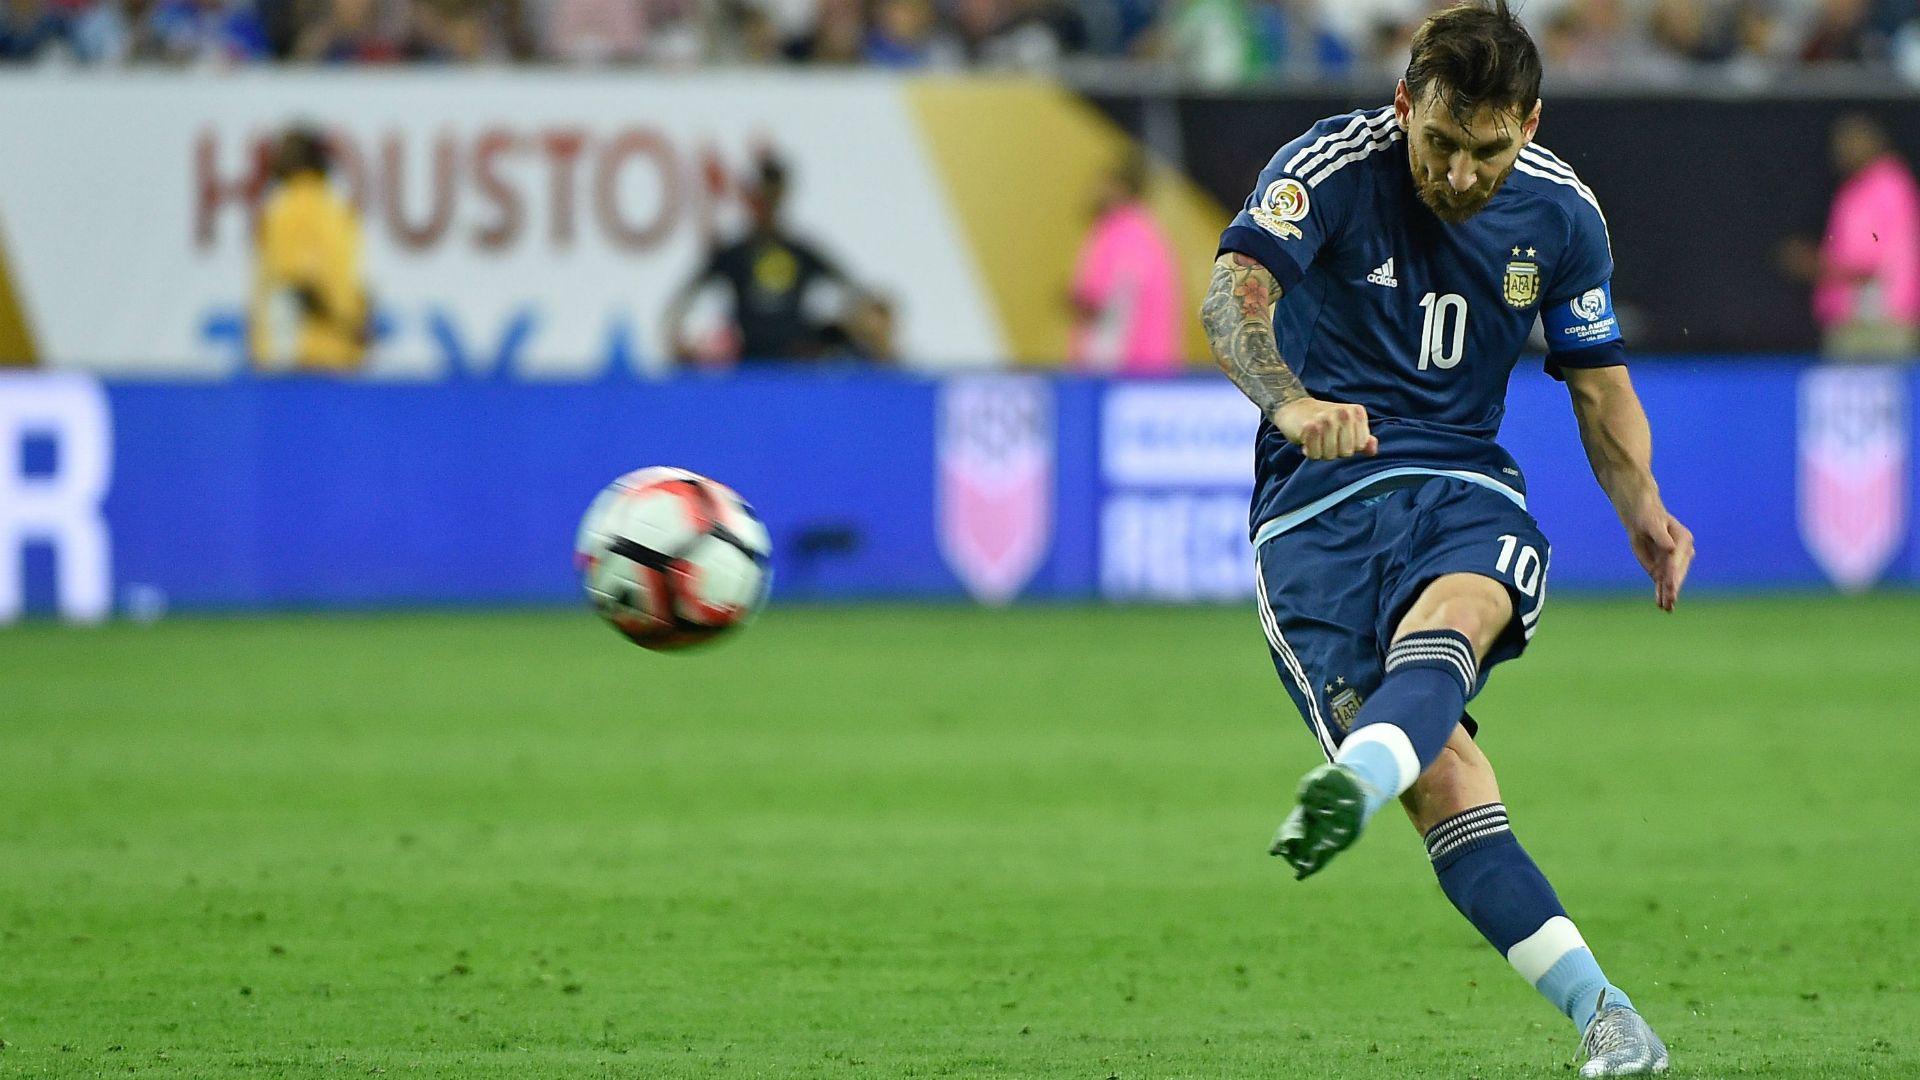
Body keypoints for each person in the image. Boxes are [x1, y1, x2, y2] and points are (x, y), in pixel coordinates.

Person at [1198, 2, 1693, 1075]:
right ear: (1404, 105)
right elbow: (1232, 297)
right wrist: (1288, 401)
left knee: (1467, 604)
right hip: (1314, 508)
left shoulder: (1563, 215)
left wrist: (1641, 505)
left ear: (1529, 122)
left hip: (1459, 481)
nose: (1462, 176)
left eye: (1489, 151)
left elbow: (1600, 388)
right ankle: (1605, 1007)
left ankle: (1365, 780)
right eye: (1440, 144)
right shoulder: (1328, 166)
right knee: (1448, 780)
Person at [664, 157, 879, 365]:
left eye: (774, 195)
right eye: (763, 195)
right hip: (745, 361)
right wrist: (680, 341)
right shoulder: (734, 253)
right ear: (752, 198)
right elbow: (684, 299)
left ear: (783, 196)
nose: (769, 203)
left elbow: (856, 292)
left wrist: (850, 331)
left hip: (795, 361)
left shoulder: (801, 252)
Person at [1780, 113, 1920, 361]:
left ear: (1873, 142)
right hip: (1853, 319)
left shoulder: (1889, 186)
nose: (1841, 151)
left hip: (1883, 325)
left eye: (1850, 142)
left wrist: (1814, 265)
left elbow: (1872, 264)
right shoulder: (1852, 190)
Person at [249, 127, 370, 372]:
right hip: (342, 357)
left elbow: (298, 284)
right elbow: (354, 285)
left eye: (282, 152)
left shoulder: (288, 209)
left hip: (300, 356)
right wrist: (355, 329)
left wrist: (344, 326)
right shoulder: (338, 209)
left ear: (298, 159)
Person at [1067, 151, 1182, 374]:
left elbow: (1107, 303)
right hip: (1154, 368)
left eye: (1104, 183)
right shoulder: (1151, 233)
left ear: (1120, 188)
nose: (1095, 190)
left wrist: (1075, 301)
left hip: (1118, 371)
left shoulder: (1117, 235)